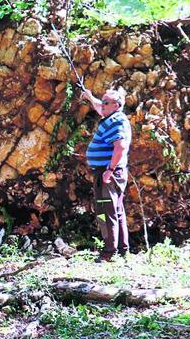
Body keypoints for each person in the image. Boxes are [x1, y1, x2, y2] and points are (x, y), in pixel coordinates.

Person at [81, 88, 132, 262]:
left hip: (108, 173)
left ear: (116, 105)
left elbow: (120, 147)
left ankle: (109, 253)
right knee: (116, 211)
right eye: (102, 101)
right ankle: (122, 250)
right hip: (108, 172)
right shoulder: (112, 117)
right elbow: (99, 107)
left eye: (106, 102)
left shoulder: (116, 121)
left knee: (106, 211)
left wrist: (109, 170)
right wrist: (89, 96)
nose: (101, 105)